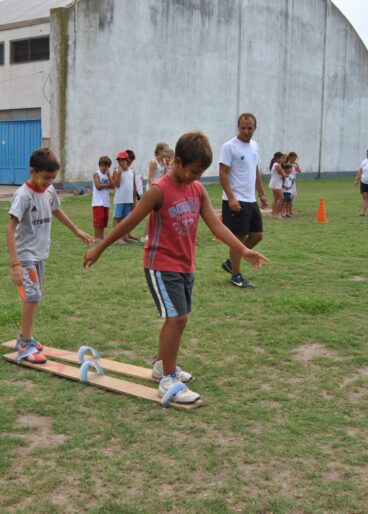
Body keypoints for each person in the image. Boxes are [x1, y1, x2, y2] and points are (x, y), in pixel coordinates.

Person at [84, 132, 268, 404]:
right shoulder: (159, 190)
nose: (196, 177)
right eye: (193, 171)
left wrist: (243, 249)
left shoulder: (198, 190)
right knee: (178, 318)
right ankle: (168, 378)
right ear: (178, 162)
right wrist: (99, 247)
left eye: (201, 173)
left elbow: (216, 226)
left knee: (178, 319)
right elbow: (130, 222)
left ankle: (161, 366)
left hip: (185, 265)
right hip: (160, 265)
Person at [6, 147, 93, 363]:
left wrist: (77, 231)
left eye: (53, 178)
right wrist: (15, 264)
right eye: (45, 178)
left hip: (39, 254)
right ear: (32, 171)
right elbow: (10, 229)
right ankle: (25, 345)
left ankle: (25, 337)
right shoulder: (23, 196)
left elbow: (56, 210)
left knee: (35, 297)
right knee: (32, 296)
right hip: (25, 255)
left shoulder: (49, 191)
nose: (49, 182)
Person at [219, 113, 269, 288]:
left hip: (250, 199)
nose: (246, 131)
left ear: (255, 128)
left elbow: (254, 171)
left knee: (257, 235)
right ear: (238, 127)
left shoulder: (254, 146)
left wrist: (261, 194)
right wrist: (231, 197)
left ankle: (232, 262)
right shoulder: (229, 147)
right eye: (243, 128)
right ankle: (236, 275)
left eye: (250, 128)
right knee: (238, 239)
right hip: (235, 200)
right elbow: (223, 173)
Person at [111, 151, 137, 244]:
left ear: (127, 160)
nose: (121, 163)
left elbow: (133, 186)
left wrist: (134, 200)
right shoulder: (117, 171)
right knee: (117, 217)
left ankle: (125, 237)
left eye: (123, 160)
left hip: (128, 200)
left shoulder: (132, 171)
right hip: (120, 199)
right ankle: (116, 238)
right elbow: (116, 184)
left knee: (126, 219)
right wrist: (119, 174)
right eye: (119, 161)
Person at [91, 155, 114, 242]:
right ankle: (97, 237)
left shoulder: (107, 175)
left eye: (107, 166)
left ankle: (101, 237)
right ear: (100, 165)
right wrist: (108, 185)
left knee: (104, 221)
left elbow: (113, 186)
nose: (105, 168)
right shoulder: (96, 174)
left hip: (105, 202)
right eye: (103, 165)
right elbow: (98, 186)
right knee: (98, 221)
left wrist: (109, 177)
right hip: (98, 202)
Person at [268, 151, 286, 219]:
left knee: (276, 198)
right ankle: (277, 214)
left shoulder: (275, 164)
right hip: (276, 184)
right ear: (277, 158)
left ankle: (274, 214)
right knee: (281, 198)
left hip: (275, 183)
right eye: (281, 158)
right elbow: (283, 175)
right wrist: (285, 174)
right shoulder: (277, 165)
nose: (282, 160)